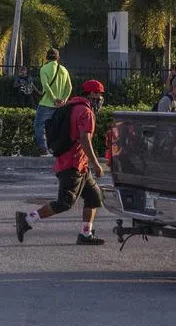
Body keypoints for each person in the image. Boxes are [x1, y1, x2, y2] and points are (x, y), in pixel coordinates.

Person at [15, 79, 108, 246]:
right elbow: (84, 139)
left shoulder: (72, 105)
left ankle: (85, 235)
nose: (100, 98)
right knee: (64, 203)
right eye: (99, 94)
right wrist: (96, 163)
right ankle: (27, 219)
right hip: (72, 165)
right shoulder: (86, 112)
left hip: (78, 164)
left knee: (94, 197)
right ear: (92, 94)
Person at [34, 49, 72, 156]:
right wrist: (64, 99)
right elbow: (69, 87)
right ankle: (56, 149)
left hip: (46, 103)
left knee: (39, 125)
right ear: (58, 57)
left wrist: (54, 99)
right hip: (60, 106)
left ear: (46, 57)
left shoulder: (44, 69)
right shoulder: (64, 70)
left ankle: (43, 148)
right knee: (57, 128)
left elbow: (45, 86)